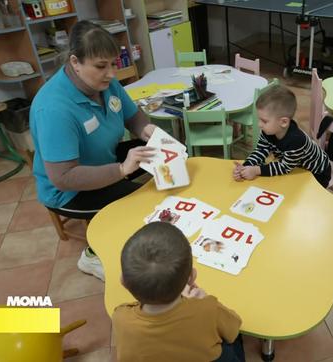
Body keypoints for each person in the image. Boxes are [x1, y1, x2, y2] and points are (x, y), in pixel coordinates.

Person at [30, 21, 156, 281]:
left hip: (104, 161)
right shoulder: (54, 108)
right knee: (143, 206)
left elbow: (133, 117)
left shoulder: (105, 83)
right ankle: (92, 255)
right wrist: (122, 170)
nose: (111, 73)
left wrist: (147, 132)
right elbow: (63, 178)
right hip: (69, 191)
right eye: (101, 66)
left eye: (114, 64)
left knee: (160, 159)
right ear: (75, 62)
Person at [113, 222, 245, 362]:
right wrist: (197, 302)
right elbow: (234, 328)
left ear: (123, 282)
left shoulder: (120, 317)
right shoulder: (208, 308)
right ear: (192, 277)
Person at [233, 84, 331, 187]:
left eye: (264, 121)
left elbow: (284, 167)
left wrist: (257, 170)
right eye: (259, 119)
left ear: (283, 122)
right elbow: (260, 151)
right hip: (296, 168)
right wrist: (245, 167)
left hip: (318, 173)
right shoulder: (268, 131)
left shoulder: (296, 140)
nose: (259, 125)